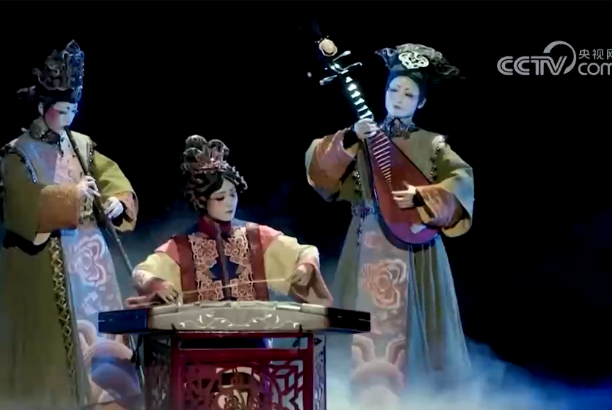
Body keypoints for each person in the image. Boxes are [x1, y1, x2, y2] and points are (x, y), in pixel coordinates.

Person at [304, 43, 474, 402]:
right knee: (361, 323)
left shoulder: (432, 144)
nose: (399, 98)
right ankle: (358, 396)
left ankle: (419, 398)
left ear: (421, 102)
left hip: (414, 248)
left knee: (413, 328)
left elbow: (461, 182)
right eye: (394, 89)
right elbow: (320, 174)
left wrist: (424, 196)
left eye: (409, 94)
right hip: (366, 241)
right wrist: (350, 138)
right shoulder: (362, 135)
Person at [0, 41, 141, 410]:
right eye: (62, 110)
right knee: (48, 348)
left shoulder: (81, 144)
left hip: (89, 258)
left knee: (101, 335)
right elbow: (20, 205)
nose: (68, 117)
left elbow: (110, 176)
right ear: (42, 107)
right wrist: (72, 195)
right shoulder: (18, 152)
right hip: (42, 262)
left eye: (73, 110)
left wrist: (116, 200)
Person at [127, 136, 333, 312]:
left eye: (233, 194)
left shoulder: (256, 237)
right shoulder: (182, 246)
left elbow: (306, 251)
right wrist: (158, 285)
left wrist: (305, 266)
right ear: (202, 200)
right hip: (198, 341)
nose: (229, 203)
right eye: (220, 198)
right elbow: (141, 272)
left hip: (255, 338)